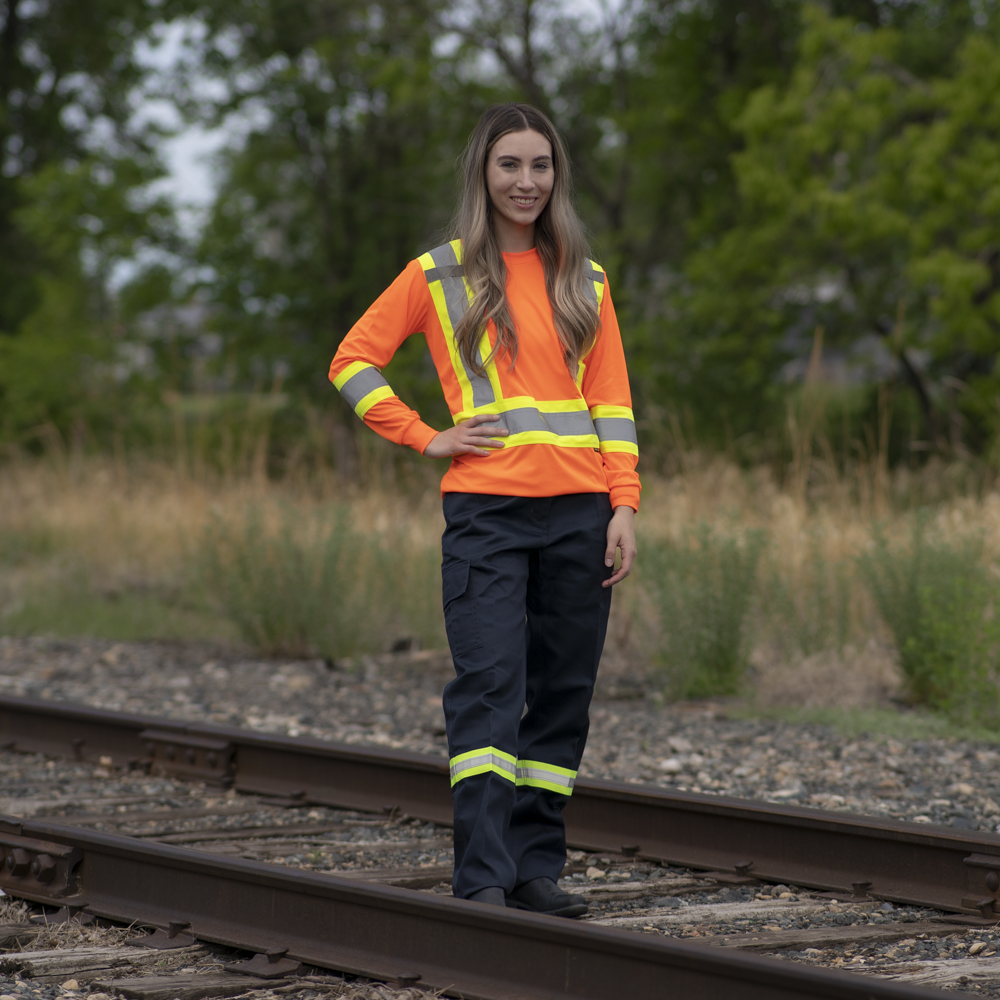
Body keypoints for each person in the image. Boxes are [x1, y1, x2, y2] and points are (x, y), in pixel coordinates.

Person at [328, 102, 640, 917]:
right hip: (487, 517)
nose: (526, 181)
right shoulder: (437, 274)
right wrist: (425, 436)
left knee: (564, 692)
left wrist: (624, 504)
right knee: (493, 687)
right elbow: (352, 361)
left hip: (581, 514)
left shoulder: (587, 278)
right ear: (483, 173)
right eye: (511, 165)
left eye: (541, 166)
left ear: (556, 176)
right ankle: (483, 879)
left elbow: (610, 401)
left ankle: (537, 869)